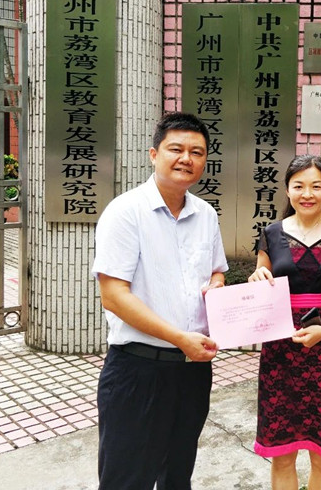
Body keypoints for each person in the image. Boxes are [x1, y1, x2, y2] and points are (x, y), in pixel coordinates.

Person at [91, 112, 228, 490]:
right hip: (138, 371)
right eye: (176, 149)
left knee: (177, 475)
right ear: (154, 154)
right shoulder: (125, 212)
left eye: (197, 152)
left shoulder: (206, 215)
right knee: (126, 480)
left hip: (193, 372)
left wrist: (217, 287)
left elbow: (217, 272)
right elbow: (113, 296)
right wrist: (179, 338)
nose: (186, 158)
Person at [248, 155, 321, 490]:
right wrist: (256, 278)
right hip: (280, 352)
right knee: (281, 453)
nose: (307, 194)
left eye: (316, 186)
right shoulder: (271, 234)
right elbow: (262, 283)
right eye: (299, 186)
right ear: (287, 190)